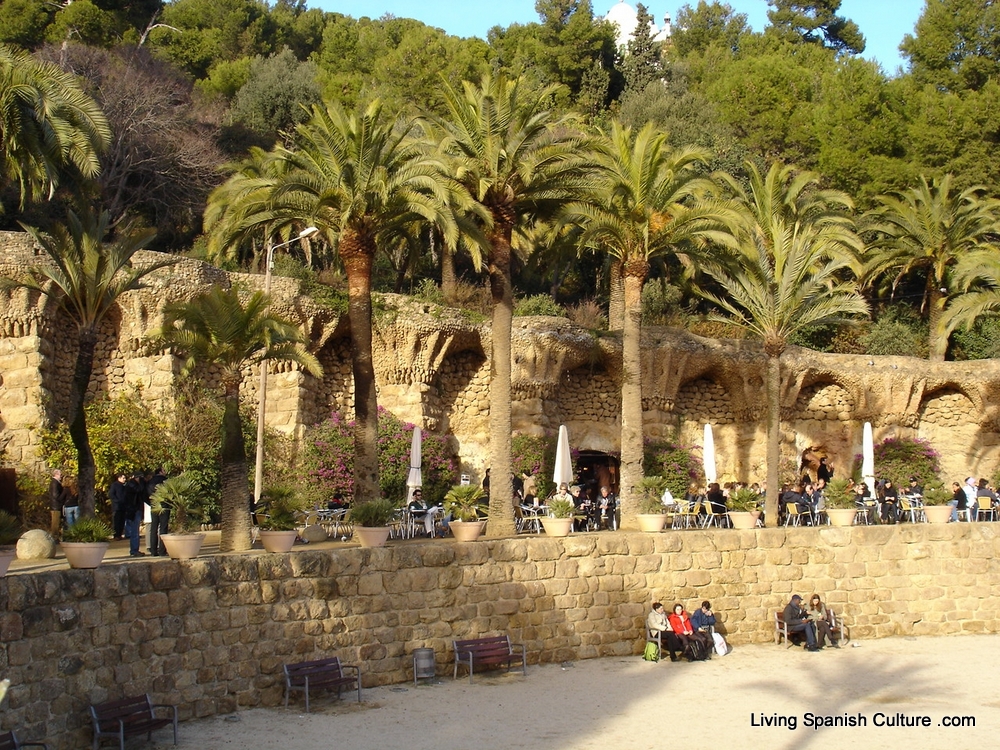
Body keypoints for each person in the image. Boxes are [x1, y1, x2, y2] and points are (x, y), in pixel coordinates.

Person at [123, 472, 147, 557]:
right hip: (133, 510)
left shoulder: (130, 484)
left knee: (134, 530)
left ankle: (134, 549)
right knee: (135, 531)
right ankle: (134, 550)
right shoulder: (132, 485)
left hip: (133, 509)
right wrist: (142, 483)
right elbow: (139, 490)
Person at [146, 467, 168, 556]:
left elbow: (146, 494)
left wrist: (150, 503)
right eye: (164, 470)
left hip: (154, 505)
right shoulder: (166, 481)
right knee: (163, 528)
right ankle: (162, 550)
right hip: (164, 505)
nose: (165, 472)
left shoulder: (150, 482)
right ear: (160, 472)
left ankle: (153, 551)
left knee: (153, 528)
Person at [48, 469, 68, 539]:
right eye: (60, 474)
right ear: (56, 474)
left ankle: (55, 537)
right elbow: (56, 496)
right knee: (55, 524)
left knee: (57, 523)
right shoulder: (55, 483)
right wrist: (64, 492)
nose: (61, 476)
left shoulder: (55, 483)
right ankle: (54, 537)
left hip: (56, 506)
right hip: (56, 506)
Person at [109, 473, 128, 539]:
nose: (124, 479)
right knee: (116, 521)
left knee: (122, 521)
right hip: (117, 506)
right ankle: (116, 535)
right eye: (123, 478)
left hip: (123, 506)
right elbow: (111, 494)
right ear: (119, 478)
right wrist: (117, 501)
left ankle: (119, 534)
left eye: (125, 478)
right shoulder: (114, 485)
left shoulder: (124, 486)